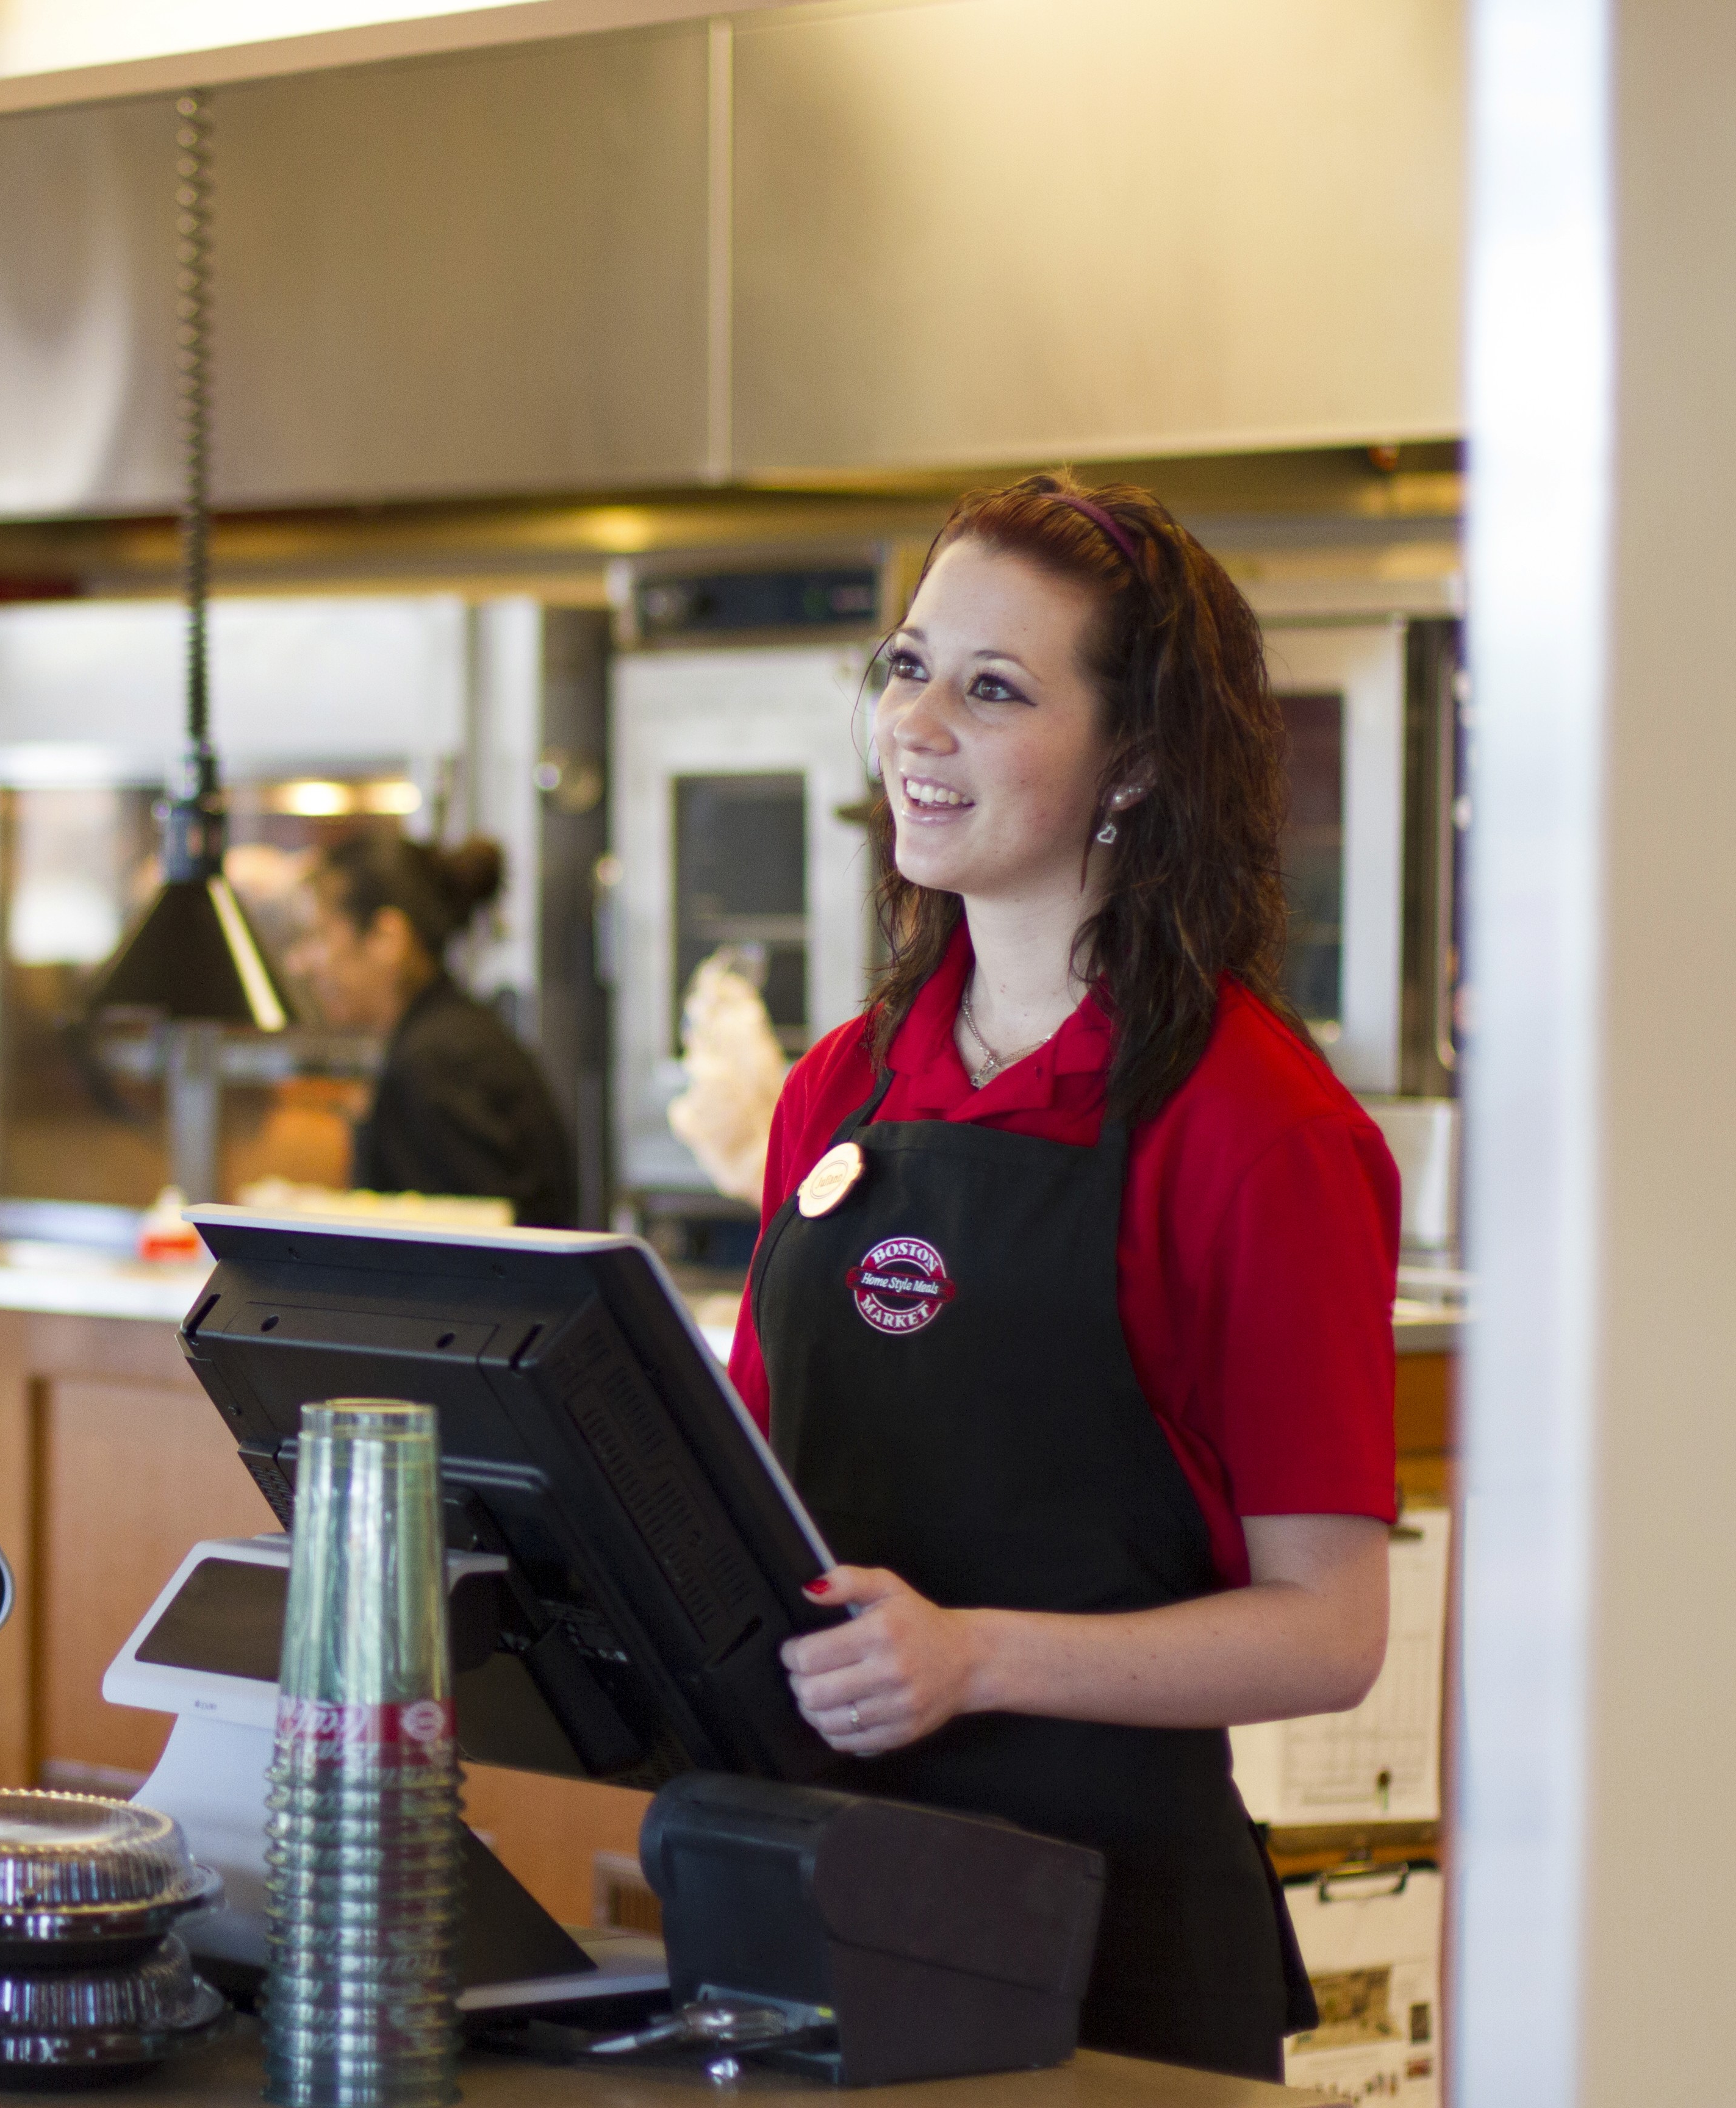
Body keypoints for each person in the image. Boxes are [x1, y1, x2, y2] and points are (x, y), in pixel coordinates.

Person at [725, 473, 1397, 2080]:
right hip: (816, 1893)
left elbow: (1331, 1632)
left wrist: (974, 1655)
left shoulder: (1260, 1128)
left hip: (1112, 1952)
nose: (917, 724)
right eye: (908, 667)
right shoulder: (841, 1087)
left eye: (995, 689)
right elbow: (756, 1487)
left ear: (1137, 761)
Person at [288, 833, 578, 1227]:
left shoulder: (434, 1062)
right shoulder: (445, 1037)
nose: (301, 963)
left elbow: (466, 1248)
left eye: (320, 935)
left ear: (387, 939)